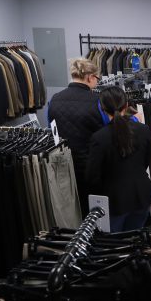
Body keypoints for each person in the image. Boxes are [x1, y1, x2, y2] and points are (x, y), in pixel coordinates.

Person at [85, 86, 151, 232]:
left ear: (102, 108)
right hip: (142, 196)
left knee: (115, 247)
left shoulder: (99, 138)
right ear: (127, 105)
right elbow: (145, 161)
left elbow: (92, 177)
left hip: (114, 203)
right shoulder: (144, 130)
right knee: (135, 241)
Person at [48, 57, 107, 218]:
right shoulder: (98, 102)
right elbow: (107, 131)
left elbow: (52, 131)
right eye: (97, 78)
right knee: (95, 210)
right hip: (92, 165)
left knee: (70, 209)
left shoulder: (54, 99)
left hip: (63, 164)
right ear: (90, 77)